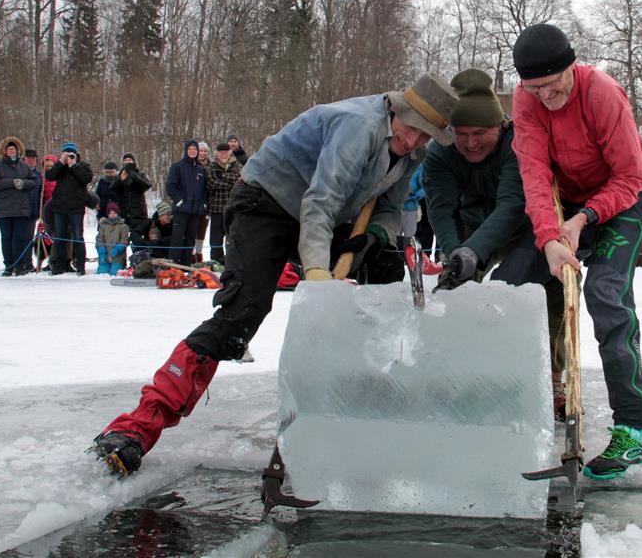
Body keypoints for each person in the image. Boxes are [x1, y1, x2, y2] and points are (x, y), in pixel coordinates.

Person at [92, 72, 458, 475]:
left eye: (425, 137)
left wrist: (373, 236)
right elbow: (320, 200)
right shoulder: (359, 126)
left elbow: (389, 206)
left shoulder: (411, 151)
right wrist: (319, 273)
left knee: (386, 265)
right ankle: (138, 427)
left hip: (327, 214)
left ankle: (370, 402)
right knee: (242, 313)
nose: (415, 142)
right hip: (266, 204)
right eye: (413, 131)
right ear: (395, 110)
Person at [511, 23, 642, 480]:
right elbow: (533, 174)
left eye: (555, 85)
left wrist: (583, 219)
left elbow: (631, 176)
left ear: (573, 67)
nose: (547, 96)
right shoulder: (526, 98)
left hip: (624, 199)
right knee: (514, 282)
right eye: (537, 89)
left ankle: (633, 430)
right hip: (566, 202)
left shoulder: (602, 93)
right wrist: (550, 238)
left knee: (606, 296)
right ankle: (523, 397)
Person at [424, 67, 566, 416]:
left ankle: (551, 372)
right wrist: (456, 253)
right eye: (462, 134)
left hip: (524, 225)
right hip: (472, 227)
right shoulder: (440, 152)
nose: (471, 142)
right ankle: (447, 369)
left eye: (480, 132)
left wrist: (475, 249)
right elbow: (441, 209)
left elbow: (512, 204)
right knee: (451, 289)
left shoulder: (518, 143)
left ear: (499, 126)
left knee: (544, 288)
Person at [0, 137, 36, 276]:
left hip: (21, 208)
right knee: (7, 237)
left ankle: (19, 264)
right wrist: (11, 182)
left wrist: (23, 184)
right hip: (4, 208)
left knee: (19, 237)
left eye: (13, 149)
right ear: (4, 151)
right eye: (9, 149)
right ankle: (9, 265)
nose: (11, 151)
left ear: (17, 150)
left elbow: (33, 182)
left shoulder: (24, 166)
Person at [45, 142, 94, 275]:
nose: (68, 157)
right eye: (66, 154)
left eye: (71, 154)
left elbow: (87, 178)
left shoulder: (82, 166)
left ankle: (80, 266)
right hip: (59, 207)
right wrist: (60, 162)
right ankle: (59, 265)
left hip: (76, 208)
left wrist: (74, 165)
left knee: (78, 237)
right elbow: (49, 176)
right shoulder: (60, 167)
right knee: (60, 237)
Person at [166, 139, 207, 266]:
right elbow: (170, 186)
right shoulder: (177, 166)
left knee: (190, 240)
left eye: (195, 149)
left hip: (196, 211)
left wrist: (203, 204)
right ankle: (174, 265)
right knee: (177, 239)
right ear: (185, 150)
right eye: (190, 149)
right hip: (181, 210)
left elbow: (205, 190)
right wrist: (179, 202)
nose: (193, 151)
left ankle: (186, 265)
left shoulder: (201, 169)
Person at [206, 142, 241, 263]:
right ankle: (216, 261)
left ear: (230, 152)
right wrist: (229, 182)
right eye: (221, 152)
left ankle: (231, 261)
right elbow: (211, 183)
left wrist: (221, 176)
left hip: (232, 208)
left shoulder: (236, 164)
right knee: (215, 238)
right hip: (216, 207)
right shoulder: (212, 166)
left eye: (226, 152)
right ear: (217, 153)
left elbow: (238, 180)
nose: (223, 154)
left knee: (231, 237)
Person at [111, 152, 152, 230]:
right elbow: (113, 188)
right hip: (123, 211)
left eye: (129, 160)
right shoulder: (120, 174)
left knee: (137, 235)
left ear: (134, 162)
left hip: (138, 211)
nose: (127, 162)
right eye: (125, 160)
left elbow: (146, 186)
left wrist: (132, 174)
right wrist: (121, 180)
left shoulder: (140, 174)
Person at [20, 149, 44, 274]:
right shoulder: (19, 172)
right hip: (19, 210)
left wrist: (40, 211)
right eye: (29, 158)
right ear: (24, 159)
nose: (32, 160)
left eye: (34, 158)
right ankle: (19, 262)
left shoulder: (39, 175)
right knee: (17, 237)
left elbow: (40, 193)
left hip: (33, 211)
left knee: (28, 238)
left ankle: (27, 262)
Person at [96, 201, 131, 275]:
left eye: (114, 213)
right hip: (105, 256)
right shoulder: (103, 226)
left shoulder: (123, 227)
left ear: (118, 214)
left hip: (118, 257)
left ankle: (119, 265)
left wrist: (117, 249)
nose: (112, 215)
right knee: (102, 272)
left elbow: (124, 241)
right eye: (110, 213)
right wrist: (102, 253)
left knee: (114, 273)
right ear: (108, 214)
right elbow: (99, 240)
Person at [194, 142, 212, 262]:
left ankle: (199, 253)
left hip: (207, 202)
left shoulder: (211, 165)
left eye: (205, 151)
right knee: (192, 230)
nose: (203, 153)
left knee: (202, 230)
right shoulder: (192, 164)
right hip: (193, 202)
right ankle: (191, 253)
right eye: (201, 151)